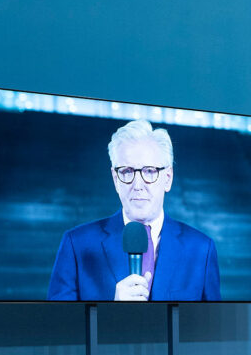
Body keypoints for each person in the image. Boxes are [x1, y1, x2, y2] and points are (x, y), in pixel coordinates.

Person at [47, 119, 221, 301]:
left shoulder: (202, 249)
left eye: (150, 171)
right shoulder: (76, 244)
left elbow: (214, 326)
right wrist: (111, 312)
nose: (138, 185)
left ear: (168, 178)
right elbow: (55, 327)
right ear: (116, 179)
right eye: (127, 171)